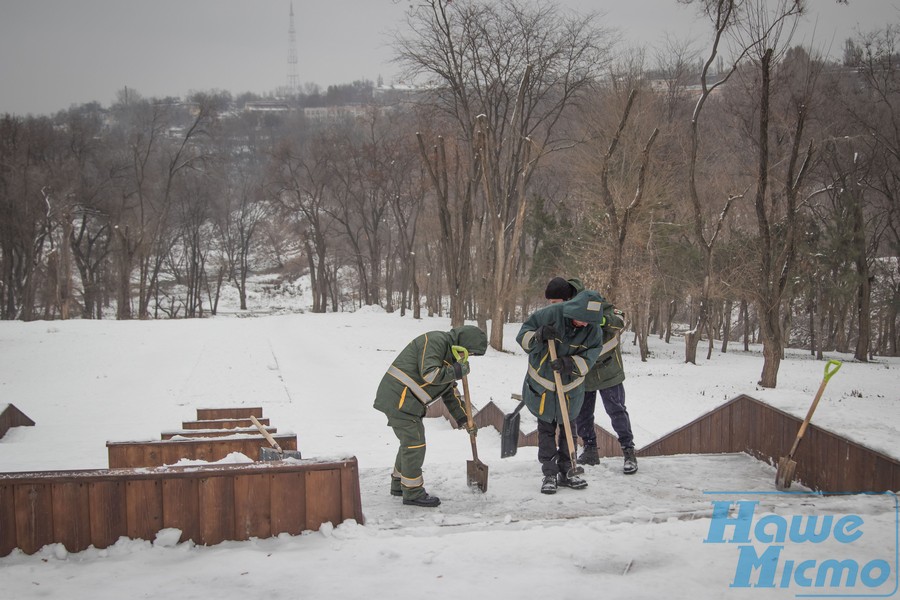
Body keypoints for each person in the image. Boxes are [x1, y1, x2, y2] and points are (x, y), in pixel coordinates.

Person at [374, 325, 488, 507]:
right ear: (463, 344)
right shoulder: (436, 341)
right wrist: (456, 371)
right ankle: (412, 493)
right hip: (399, 397)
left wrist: (464, 419)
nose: (470, 357)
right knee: (414, 443)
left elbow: (450, 394)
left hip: (408, 402)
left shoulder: (450, 358)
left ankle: (399, 484)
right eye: (471, 353)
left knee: (409, 443)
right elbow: (430, 374)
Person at [516, 289, 607, 494]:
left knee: (568, 430)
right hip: (544, 389)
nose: (584, 324)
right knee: (546, 430)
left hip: (569, 390)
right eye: (582, 319)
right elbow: (522, 335)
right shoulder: (551, 314)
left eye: (589, 321)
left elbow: (592, 354)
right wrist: (538, 336)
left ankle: (567, 470)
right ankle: (549, 473)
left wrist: (570, 364)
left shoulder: (593, 330)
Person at [544, 276, 636, 474]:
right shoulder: (560, 313)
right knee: (582, 413)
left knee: (616, 410)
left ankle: (628, 451)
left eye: (555, 302)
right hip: (580, 369)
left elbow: (619, 319)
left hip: (606, 368)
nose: (552, 306)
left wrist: (600, 319)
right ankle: (590, 449)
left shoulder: (593, 301)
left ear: (566, 297)